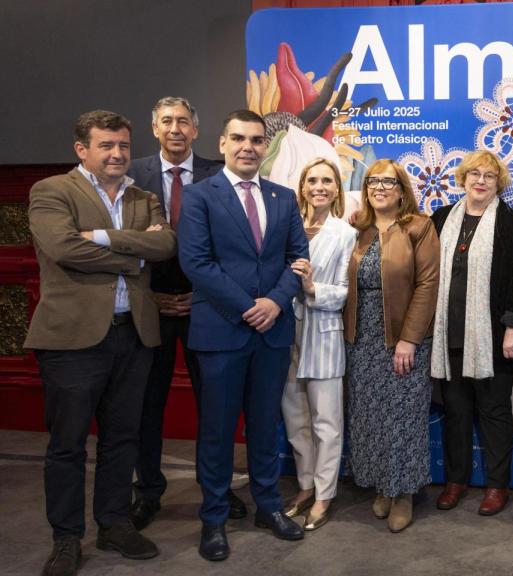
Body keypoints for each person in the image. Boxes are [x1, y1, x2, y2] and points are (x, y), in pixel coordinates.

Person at [26, 109, 176, 576]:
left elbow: (165, 245)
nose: (117, 154)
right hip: (72, 340)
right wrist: (132, 255)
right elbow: (63, 248)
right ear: (82, 150)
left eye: (124, 146)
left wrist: (102, 237)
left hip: (132, 334)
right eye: (106, 145)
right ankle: (67, 538)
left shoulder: (144, 195)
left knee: (123, 438)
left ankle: (113, 523)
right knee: (68, 445)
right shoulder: (52, 191)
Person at [178, 110, 309, 561]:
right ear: (222, 143)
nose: (248, 147)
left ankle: (268, 506)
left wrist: (275, 301)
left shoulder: (283, 197)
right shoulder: (199, 197)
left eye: (256, 139)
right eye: (239, 138)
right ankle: (214, 518)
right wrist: (248, 306)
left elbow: (298, 257)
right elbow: (197, 264)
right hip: (222, 332)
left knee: (264, 425)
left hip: (272, 331)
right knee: (216, 431)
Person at [125, 96, 246, 530]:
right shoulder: (132, 173)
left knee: (216, 405)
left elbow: (234, 244)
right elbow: (124, 241)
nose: (175, 129)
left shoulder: (221, 172)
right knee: (147, 406)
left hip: (207, 307)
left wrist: (204, 293)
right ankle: (148, 491)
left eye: (183, 122)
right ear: (154, 128)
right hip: (149, 306)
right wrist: (150, 294)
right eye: (166, 122)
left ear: (196, 130)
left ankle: (216, 488)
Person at [429, 150, 513, 516]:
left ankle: (496, 485)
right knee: (456, 412)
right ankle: (455, 481)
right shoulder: (441, 219)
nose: (481, 181)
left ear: (498, 182)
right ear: (463, 178)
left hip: (492, 338)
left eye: (489, 175)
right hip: (449, 336)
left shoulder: (510, 224)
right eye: (475, 173)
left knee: (494, 413)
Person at [344, 159, 440, 533]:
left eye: (388, 181)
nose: (379, 187)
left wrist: (409, 339)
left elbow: (428, 285)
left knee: (403, 418)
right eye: (372, 181)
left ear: (402, 190)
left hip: (402, 340)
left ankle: (404, 494)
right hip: (360, 338)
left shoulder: (419, 227)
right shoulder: (358, 229)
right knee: (370, 416)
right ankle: (382, 485)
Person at [281, 157, 357, 531]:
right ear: (303, 187)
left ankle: (325, 494)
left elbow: (346, 292)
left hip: (324, 332)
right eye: (313, 180)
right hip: (285, 334)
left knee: (327, 422)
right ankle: (305, 485)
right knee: (296, 420)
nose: (320, 187)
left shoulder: (345, 234)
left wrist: (313, 288)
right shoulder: (288, 228)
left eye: (328, 180)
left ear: (338, 189)